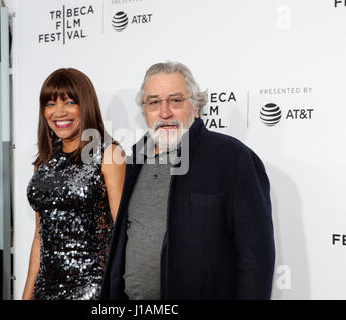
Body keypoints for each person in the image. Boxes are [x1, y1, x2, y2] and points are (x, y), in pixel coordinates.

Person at [100, 61, 275, 300]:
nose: (164, 112)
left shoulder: (233, 158)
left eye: (175, 100)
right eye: (154, 102)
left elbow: (256, 255)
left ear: (195, 106)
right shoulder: (132, 159)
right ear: (145, 112)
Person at [22, 68, 126, 300]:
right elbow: (39, 236)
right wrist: (27, 295)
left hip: (92, 288)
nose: (59, 112)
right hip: (45, 289)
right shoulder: (44, 163)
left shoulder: (109, 154)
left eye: (69, 102)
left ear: (86, 105)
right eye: (50, 104)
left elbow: (122, 233)